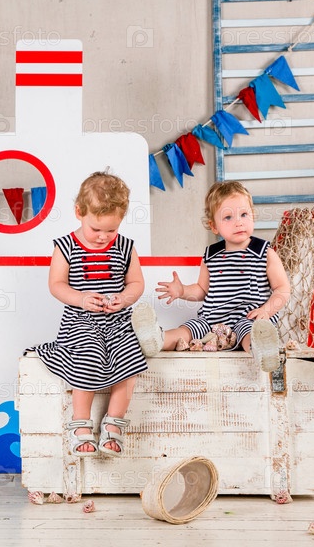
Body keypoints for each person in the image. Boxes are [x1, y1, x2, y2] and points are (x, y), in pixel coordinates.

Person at [29, 171, 147, 457]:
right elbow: (56, 285)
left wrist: (124, 298)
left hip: (118, 322)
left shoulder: (125, 247)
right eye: (96, 229)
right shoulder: (66, 246)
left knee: (131, 360)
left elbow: (136, 283)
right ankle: (80, 422)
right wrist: (81, 299)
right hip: (80, 322)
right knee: (88, 356)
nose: (103, 237)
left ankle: (114, 421)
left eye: (111, 230)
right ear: (79, 212)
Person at [132, 180, 291, 372]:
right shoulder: (211, 255)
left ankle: (263, 350)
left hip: (248, 317)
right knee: (188, 329)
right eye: (228, 217)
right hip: (211, 320)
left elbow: (282, 288)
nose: (238, 222)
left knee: (250, 333)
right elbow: (202, 290)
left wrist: (267, 310)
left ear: (253, 216)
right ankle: (156, 339)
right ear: (213, 226)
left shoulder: (264, 252)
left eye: (244, 214)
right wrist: (182, 291)